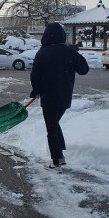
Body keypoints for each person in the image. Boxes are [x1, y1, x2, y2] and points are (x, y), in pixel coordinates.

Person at [29, 22, 89, 169]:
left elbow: (35, 76)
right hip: (64, 96)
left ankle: (57, 159)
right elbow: (84, 70)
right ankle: (60, 150)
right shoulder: (69, 52)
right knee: (54, 124)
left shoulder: (42, 53)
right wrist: (74, 54)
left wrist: (35, 90)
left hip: (48, 97)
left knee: (51, 128)